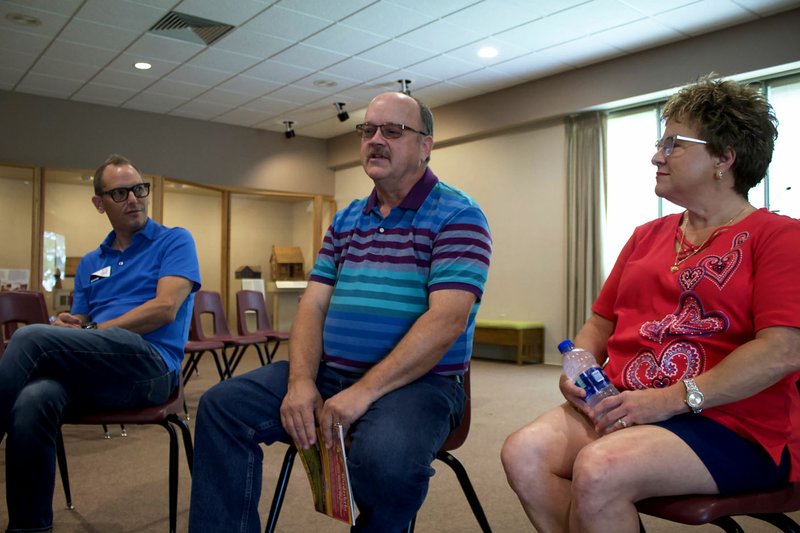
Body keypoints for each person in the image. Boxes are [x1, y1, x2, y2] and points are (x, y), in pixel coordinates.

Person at [501, 74, 800, 533]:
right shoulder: (647, 236)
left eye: (674, 143)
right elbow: (600, 323)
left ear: (724, 156)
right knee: (522, 452)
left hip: (732, 421)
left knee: (601, 469)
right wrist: (577, 369)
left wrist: (670, 400)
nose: (656, 155)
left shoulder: (779, 237)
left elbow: (782, 350)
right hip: (626, 404)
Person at [188, 91, 492, 532]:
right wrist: (301, 382)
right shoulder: (348, 218)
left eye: (393, 130)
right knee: (220, 407)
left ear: (426, 145)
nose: (375, 139)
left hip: (421, 384)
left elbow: (445, 321)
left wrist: (364, 392)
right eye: (367, 130)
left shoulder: (458, 215)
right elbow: (312, 303)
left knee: (385, 460)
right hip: (332, 374)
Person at [0, 154, 201, 533]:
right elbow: (85, 320)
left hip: (151, 366)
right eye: (121, 192)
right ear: (99, 203)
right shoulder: (93, 260)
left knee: (29, 338)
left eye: (140, 189)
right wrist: (73, 323)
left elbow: (164, 309)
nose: (134, 199)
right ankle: (29, 528)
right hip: (99, 366)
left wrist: (93, 331)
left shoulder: (175, 240)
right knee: (33, 399)